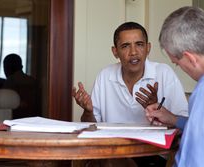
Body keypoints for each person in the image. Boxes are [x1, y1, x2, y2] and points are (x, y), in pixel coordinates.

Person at [72, 22, 188, 167]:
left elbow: (185, 124)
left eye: (139, 44)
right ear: (115, 52)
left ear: (148, 48)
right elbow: (89, 127)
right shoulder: (105, 75)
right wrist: (88, 111)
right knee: (105, 159)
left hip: (152, 154)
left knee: (108, 161)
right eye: (125, 46)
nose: (133, 52)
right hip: (112, 151)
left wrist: (157, 111)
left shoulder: (164, 74)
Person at [145, 6, 204, 167]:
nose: (180, 68)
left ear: (190, 58)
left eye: (177, 64)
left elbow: (196, 162)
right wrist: (174, 119)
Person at [3, 53, 39, 119]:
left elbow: (6, 105)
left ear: (7, 67)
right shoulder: (33, 81)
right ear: (21, 66)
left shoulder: (10, 82)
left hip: (15, 121)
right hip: (33, 120)